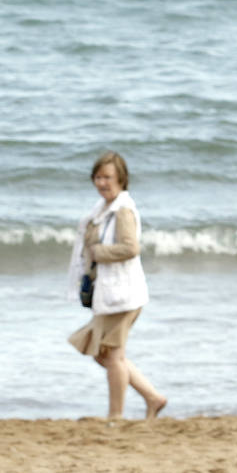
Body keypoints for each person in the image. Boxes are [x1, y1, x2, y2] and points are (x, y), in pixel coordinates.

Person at [67, 150, 168, 420]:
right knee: (104, 354)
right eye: (98, 177)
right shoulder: (102, 212)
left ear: (121, 179)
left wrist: (98, 252)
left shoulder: (122, 210)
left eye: (108, 177)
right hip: (111, 294)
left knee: (111, 355)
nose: (102, 183)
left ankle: (115, 417)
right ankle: (152, 398)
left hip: (123, 295)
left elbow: (130, 248)